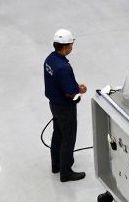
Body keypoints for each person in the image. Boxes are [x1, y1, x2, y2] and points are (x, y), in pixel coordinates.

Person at [43, 28, 87, 182]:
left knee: (58, 134)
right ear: (65, 46)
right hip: (64, 108)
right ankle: (66, 172)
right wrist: (79, 92)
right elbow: (69, 93)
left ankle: (56, 165)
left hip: (54, 105)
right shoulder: (63, 67)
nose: (72, 47)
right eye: (71, 44)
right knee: (68, 138)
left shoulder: (50, 60)